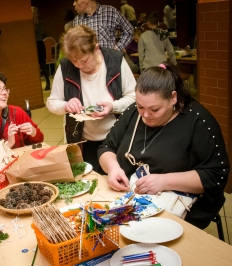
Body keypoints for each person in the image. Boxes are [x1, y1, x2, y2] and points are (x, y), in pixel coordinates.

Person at [98, 63, 229, 229]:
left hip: (180, 202)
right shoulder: (133, 113)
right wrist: (113, 168)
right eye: (140, 106)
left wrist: (164, 181)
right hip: (130, 196)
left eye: (155, 109)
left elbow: (216, 176)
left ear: (173, 98)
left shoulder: (198, 121)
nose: (145, 115)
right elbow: (106, 147)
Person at [46, 25, 136, 174]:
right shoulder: (66, 67)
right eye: (74, 61)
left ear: (96, 48)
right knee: (90, 180)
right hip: (83, 141)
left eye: (84, 60)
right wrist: (66, 105)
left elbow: (134, 98)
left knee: (118, 178)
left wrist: (112, 106)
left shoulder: (115, 60)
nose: (79, 65)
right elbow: (51, 102)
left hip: (117, 139)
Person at [31, 6, 51, 91]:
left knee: (43, 64)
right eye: (31, 13)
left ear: (37, 14)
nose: (33, 14)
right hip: (32, 44)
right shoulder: (29, 23)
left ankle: (48, 82)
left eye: (34, 12)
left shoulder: (40, 22)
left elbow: (39, 34)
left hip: (39, 43)